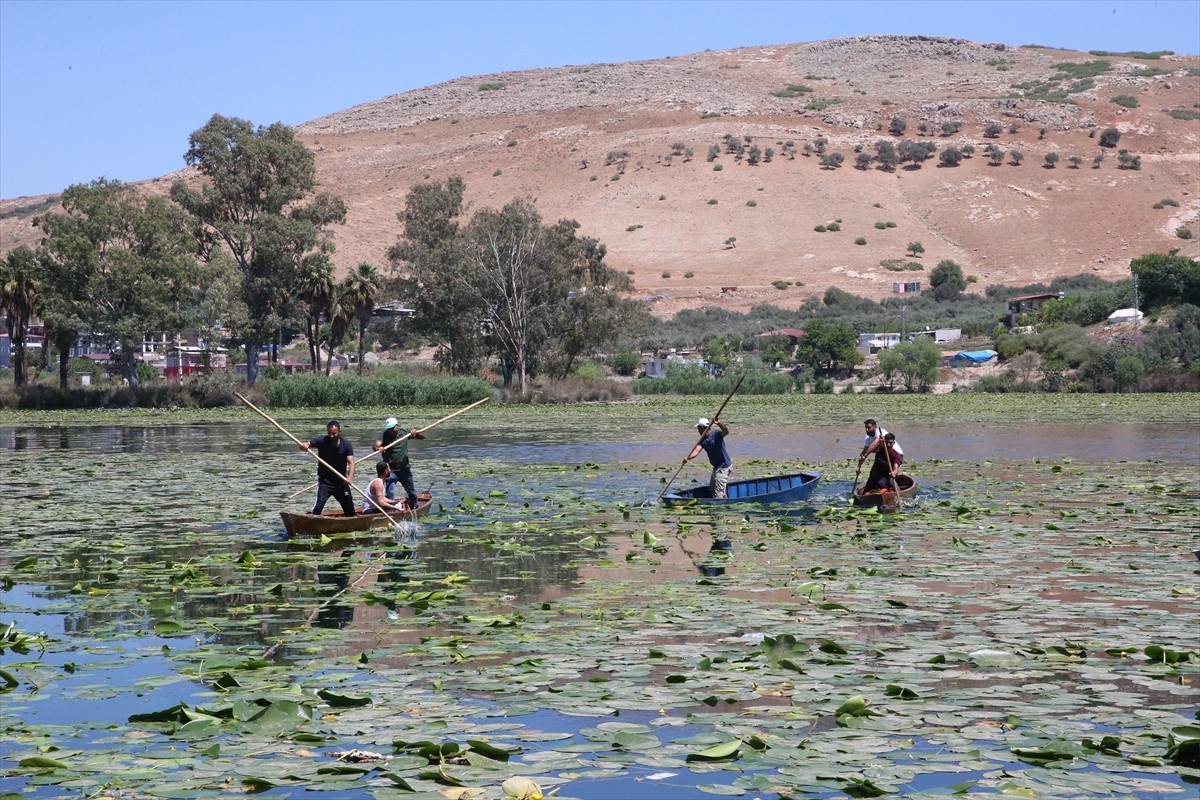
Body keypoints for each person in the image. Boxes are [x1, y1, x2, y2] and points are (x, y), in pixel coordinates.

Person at [301, 420, 356, 516]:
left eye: (334, 434)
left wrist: (350, 477)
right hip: (325, 482)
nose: (331, 436)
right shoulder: (321, 440)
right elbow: (306, 444)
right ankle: (313, 524)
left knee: (350, 510)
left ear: (339, 432)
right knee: (318, 507)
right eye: (329, 433)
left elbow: (351, 463)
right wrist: (304, 446)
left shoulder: (346, 444)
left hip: (341, 481)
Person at [374, 416, 425, 510]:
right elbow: (376, 445)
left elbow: (422, 437)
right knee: (390, 493)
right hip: (390, 471)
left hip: (404, 469)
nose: (391, 431)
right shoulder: (384, 434)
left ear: (398, 426)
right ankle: (391, 512)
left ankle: (415, 508)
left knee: (411, 492)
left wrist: (415, 433)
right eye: (389, 429)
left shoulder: (404, 432)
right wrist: (378, 448)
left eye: (392, 428)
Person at [684, 416, 732, 499]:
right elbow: (696, 451)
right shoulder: (702, 440)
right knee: (713, 488)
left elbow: (726, 431)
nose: (698, 430)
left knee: (718, 493)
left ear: (703, 428)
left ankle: (720, 509)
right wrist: (688, 458)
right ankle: (725, 499)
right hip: (716, 467)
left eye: (699, 428)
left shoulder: (716, 434)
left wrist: (719, 423)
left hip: (724, 466)